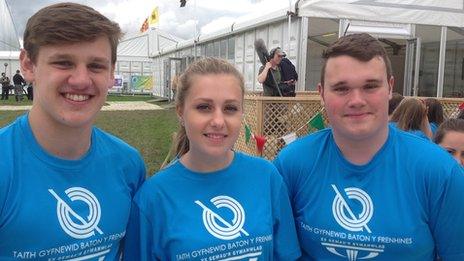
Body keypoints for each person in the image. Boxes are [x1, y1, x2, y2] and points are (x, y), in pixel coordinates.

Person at [274, 33, 464, 260]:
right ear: (322, 93)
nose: (356, 100)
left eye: (370, 86)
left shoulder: (439, 170)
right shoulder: (292, 163)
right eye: (341, 88)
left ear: (390, 87)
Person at [0, 3, 146, 260]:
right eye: (63, 62)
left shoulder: (129, 165)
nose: (80, 80)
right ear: (28, 65)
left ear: (112, 72)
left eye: (96, 66)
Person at [123, 57, 300, 260]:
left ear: (242, 112)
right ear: (180, 112)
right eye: (204, 107)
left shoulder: (266, 177)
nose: (218, 121)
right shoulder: (153, 198)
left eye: (230, 108)